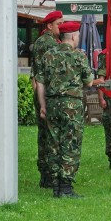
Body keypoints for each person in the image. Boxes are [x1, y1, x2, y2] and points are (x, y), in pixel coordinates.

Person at [35, 21, 93, 198]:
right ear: (74, 37)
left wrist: (43, 106)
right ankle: (66, 186)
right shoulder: (79, 56)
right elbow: (89, 81)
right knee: (71, 143)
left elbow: (40, 83)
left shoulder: (48, 55)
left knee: (53, 143)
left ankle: (55, 185)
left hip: (52, 104)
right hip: (72, 105)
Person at [31, 10, 64, 188]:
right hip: (48, 93)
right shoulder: (48, 43)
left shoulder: (43, 41)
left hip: (42, 91)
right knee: (50, 134)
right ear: (50, 26)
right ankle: (49, 173)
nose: (62, 26)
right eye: (59, 23)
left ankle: (45, 172)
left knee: (45, 133)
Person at [94, 49, 111, 169]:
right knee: (110, 127)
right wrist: (101, 98)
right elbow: (101, 80)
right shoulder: (105, 54)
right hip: (110, 97)